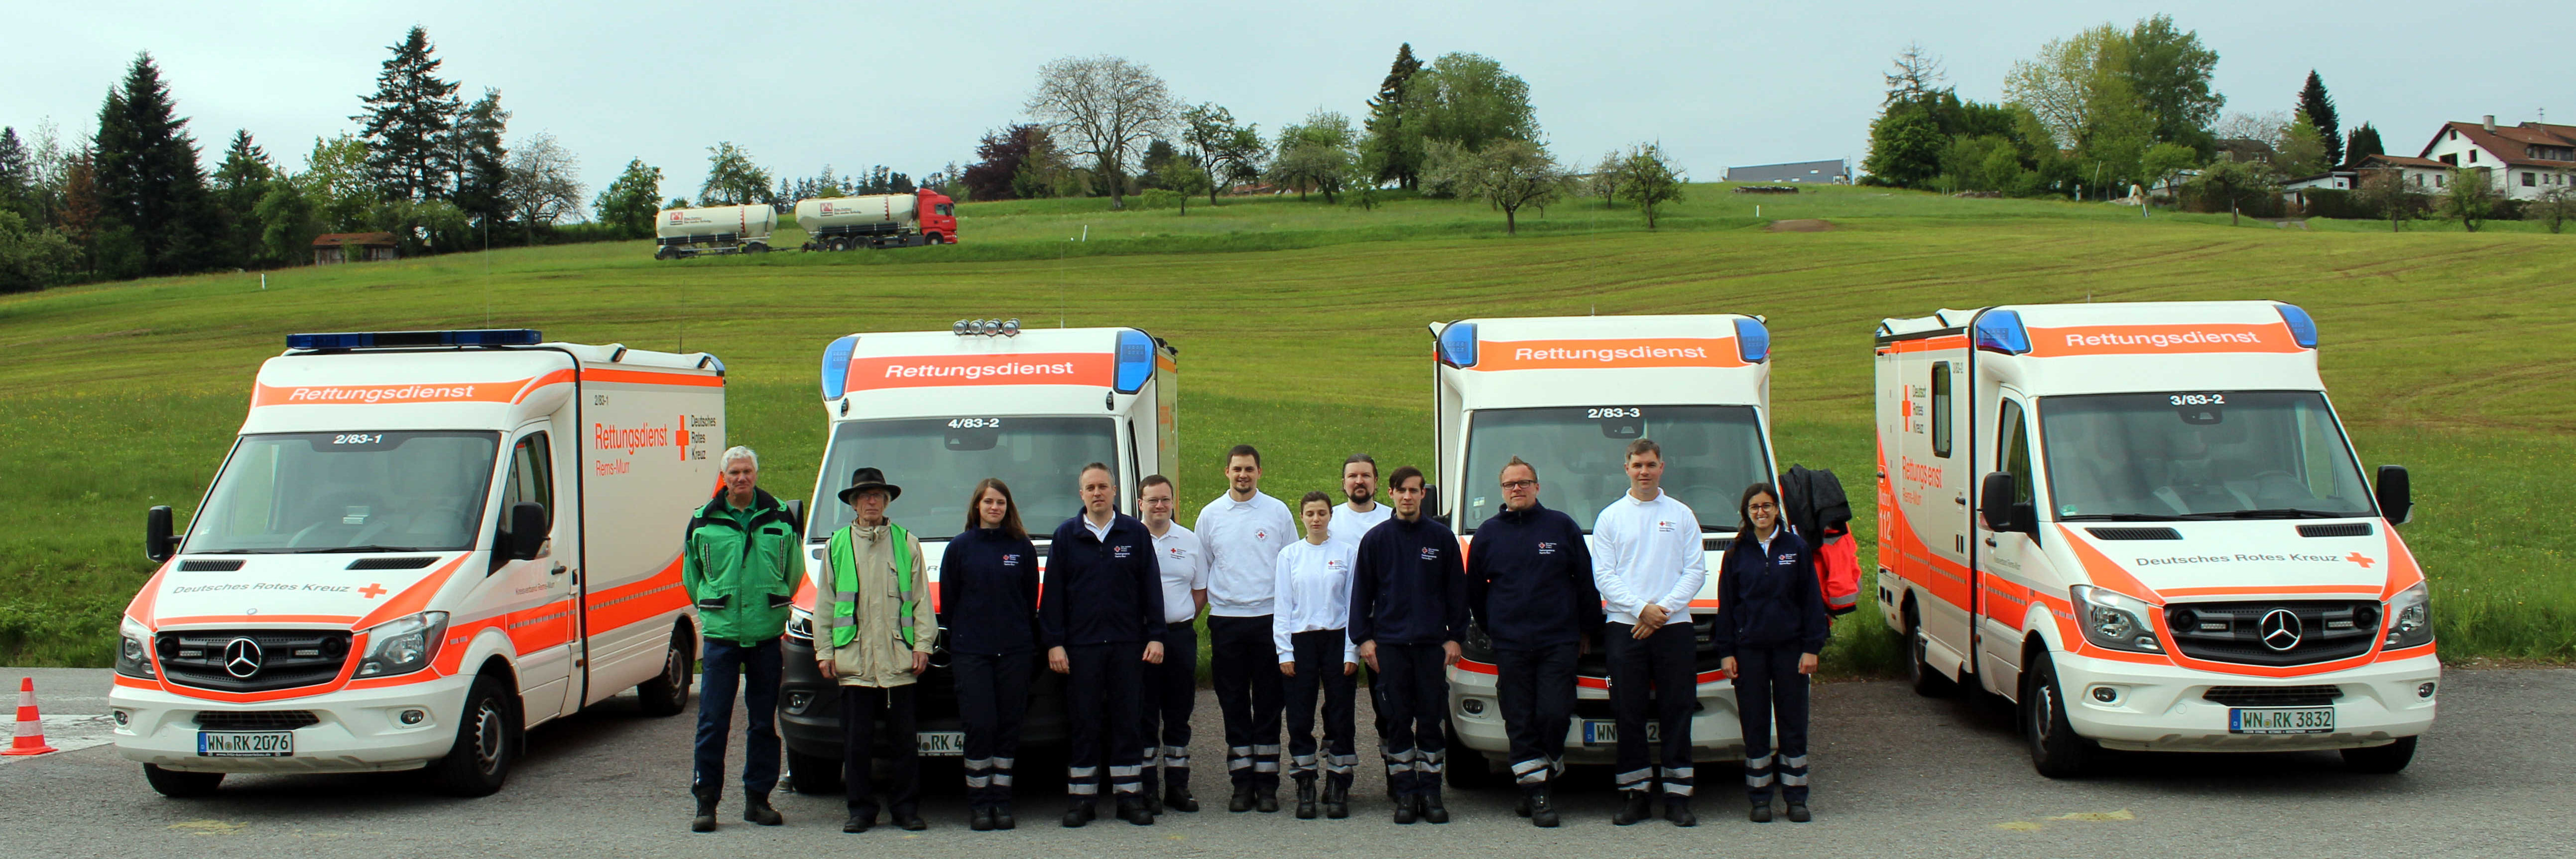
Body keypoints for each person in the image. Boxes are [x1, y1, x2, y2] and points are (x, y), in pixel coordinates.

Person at [1466, 457, 1600, 828]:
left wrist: (1586, 628)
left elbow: (1584, 581)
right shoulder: (1488, 534)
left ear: (1537, 487)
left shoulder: (1561, 527)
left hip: (1558, 640)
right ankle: (1538, 793)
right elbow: (1475, 591)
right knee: (1519, 717)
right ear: (1502, 491)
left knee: (1555, 713)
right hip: (1510, 643)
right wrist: (1495, 629)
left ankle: (1538, 774)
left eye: (1524, 483)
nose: (1517, 489)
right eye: (1509, 485)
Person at [680, 446, 800, 833]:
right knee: (713, 721)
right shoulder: (703, 521)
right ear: (724, 477)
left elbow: (793, 572)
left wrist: (770, 606)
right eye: (734, 472)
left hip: (766, 636)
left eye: (747, 471)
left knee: (763, 723)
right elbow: (692, 577)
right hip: (722, 637)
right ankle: (706, 802)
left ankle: (757, 800)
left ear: (756, 474)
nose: (741, 478)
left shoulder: (780, 516)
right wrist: (716, 607)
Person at [1041, 463, 1168, 828]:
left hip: (1128, 645)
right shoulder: (1066, 536)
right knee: (1083, 722)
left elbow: (1150, 589)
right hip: (1081, 648)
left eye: (1103, 487)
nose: (1097, 493)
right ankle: (1082, 800)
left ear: (1114, 491)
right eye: (1090, 488)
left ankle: (1130, 798)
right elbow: (1053, 597)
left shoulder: (1134, 533)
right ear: (1081, 494)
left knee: (1128, 720)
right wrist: (1055, 644)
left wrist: (1156, 634)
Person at [1590, 438, 1708, 827]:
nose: (1644, 471)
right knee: (1629, 711)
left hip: (1674, 629)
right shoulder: (1610, 518)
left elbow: (1695, 570)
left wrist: (1663, 610)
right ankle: (1635, 793)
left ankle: (1677, 796)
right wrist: (1642, 610)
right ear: (1625, 467)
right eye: (1637, 464)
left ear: (1662, 467)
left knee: (1677, 710)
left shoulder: (1682, 514)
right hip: (1626, 628)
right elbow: (1604, 575)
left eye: (1651, 465)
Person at [816, 467, 938, 833]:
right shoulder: (837, 544)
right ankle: (860, 811)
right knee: (856, 744)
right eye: (864, 496)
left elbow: (920, 601)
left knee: (904, 744)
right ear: (853, 504)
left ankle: (905, 809)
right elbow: (826, 602)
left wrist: (923, 645)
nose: (871, 501)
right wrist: (824, 650)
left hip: (899, 661)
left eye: (877, 496)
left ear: (886, 502)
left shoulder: (906, 542)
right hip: (854, 662)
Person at [1348, 465, 1466, 825]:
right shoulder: (1376, 539)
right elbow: (1360, 594)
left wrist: (1455, 638)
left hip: (1432, 647)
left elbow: (1457, 593)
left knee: (1430, 720)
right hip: (1390, 647)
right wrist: (1364, 640)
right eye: (1401, 491)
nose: (1408, 497)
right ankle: (1405, 793)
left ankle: (1430, 792)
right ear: (1391, 493)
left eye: (1414, 491)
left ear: (1423, 495)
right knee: (1397, 720)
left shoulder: (1441, 539)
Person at [1710, 482, 1830, 824]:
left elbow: (1810, 601)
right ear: (1746, 514)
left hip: (1790, 650)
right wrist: (1726, 652)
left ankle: (1795, 797)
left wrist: (1811, 648)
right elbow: (1727, 608)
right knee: (1755, 723)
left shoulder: (1796, 548)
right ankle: (1759, 798)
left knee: (1793, 723)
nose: (1760, 513)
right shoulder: (1735, 553)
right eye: (1754, 508)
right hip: (1749, 652)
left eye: (1766, 506)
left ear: (1776, 509)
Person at [1195, 444, 1296, 813]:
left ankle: (1267, 785)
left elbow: (1289, 566)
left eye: (1249, 469)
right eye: (1237, 469)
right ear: (1226, 472)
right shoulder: (1210, 515)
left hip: (1268, 619)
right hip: (1226, 621)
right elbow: (1203, 567)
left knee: (1270, 703)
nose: (1243, 475)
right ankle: (1241, 784)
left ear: (1259, 472)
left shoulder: (1277, 512)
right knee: (1233, 702)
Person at [941, 478, 1041, 831]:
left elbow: (1030, 600)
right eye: (988, 502)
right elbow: (950, 602)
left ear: (1008, 507)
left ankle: (1001, 801)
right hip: (972, 652)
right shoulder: (960, 548)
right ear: (977, 507)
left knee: (1008, 727)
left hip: (1014, 651)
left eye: (1000, 502)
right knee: (980, 725)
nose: (994, 508)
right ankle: (979, 804)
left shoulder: (1021, 548)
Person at [1273, 491, 1359, 820]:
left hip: (1337, 640)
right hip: (1301, 641)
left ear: (1330, 516)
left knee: (1340, 715)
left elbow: (1353, 606)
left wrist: (1352, 649)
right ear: (1302, 517)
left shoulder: (1347, 554)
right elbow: (1282, 607)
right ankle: (1305, 782)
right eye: (1310, 513)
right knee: (1299, 716)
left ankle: (1339, 783)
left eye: (1322, 513)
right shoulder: (1289, 556)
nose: (1316, 519)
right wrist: (1285, 651)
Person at [1138, 474, 1210, 816]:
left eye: (1165, 499)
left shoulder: (1189, 541)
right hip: (1141, 641)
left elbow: (1200, 590)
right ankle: (1147, 789)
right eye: (1152, 500)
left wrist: (1181, 619)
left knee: (1179, 713)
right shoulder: (1130, 539)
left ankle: (1178, 787)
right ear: (1141, 503)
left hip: (1179, 636)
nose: (1160, 506)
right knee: (1145, 715)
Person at [1328, 454, 1391, 543]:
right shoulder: (1330, 520)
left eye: (1366, 476)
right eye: (1353, 476)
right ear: (1344, 483)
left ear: (1375, 481)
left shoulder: (1391, 518)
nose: (1359, 481)